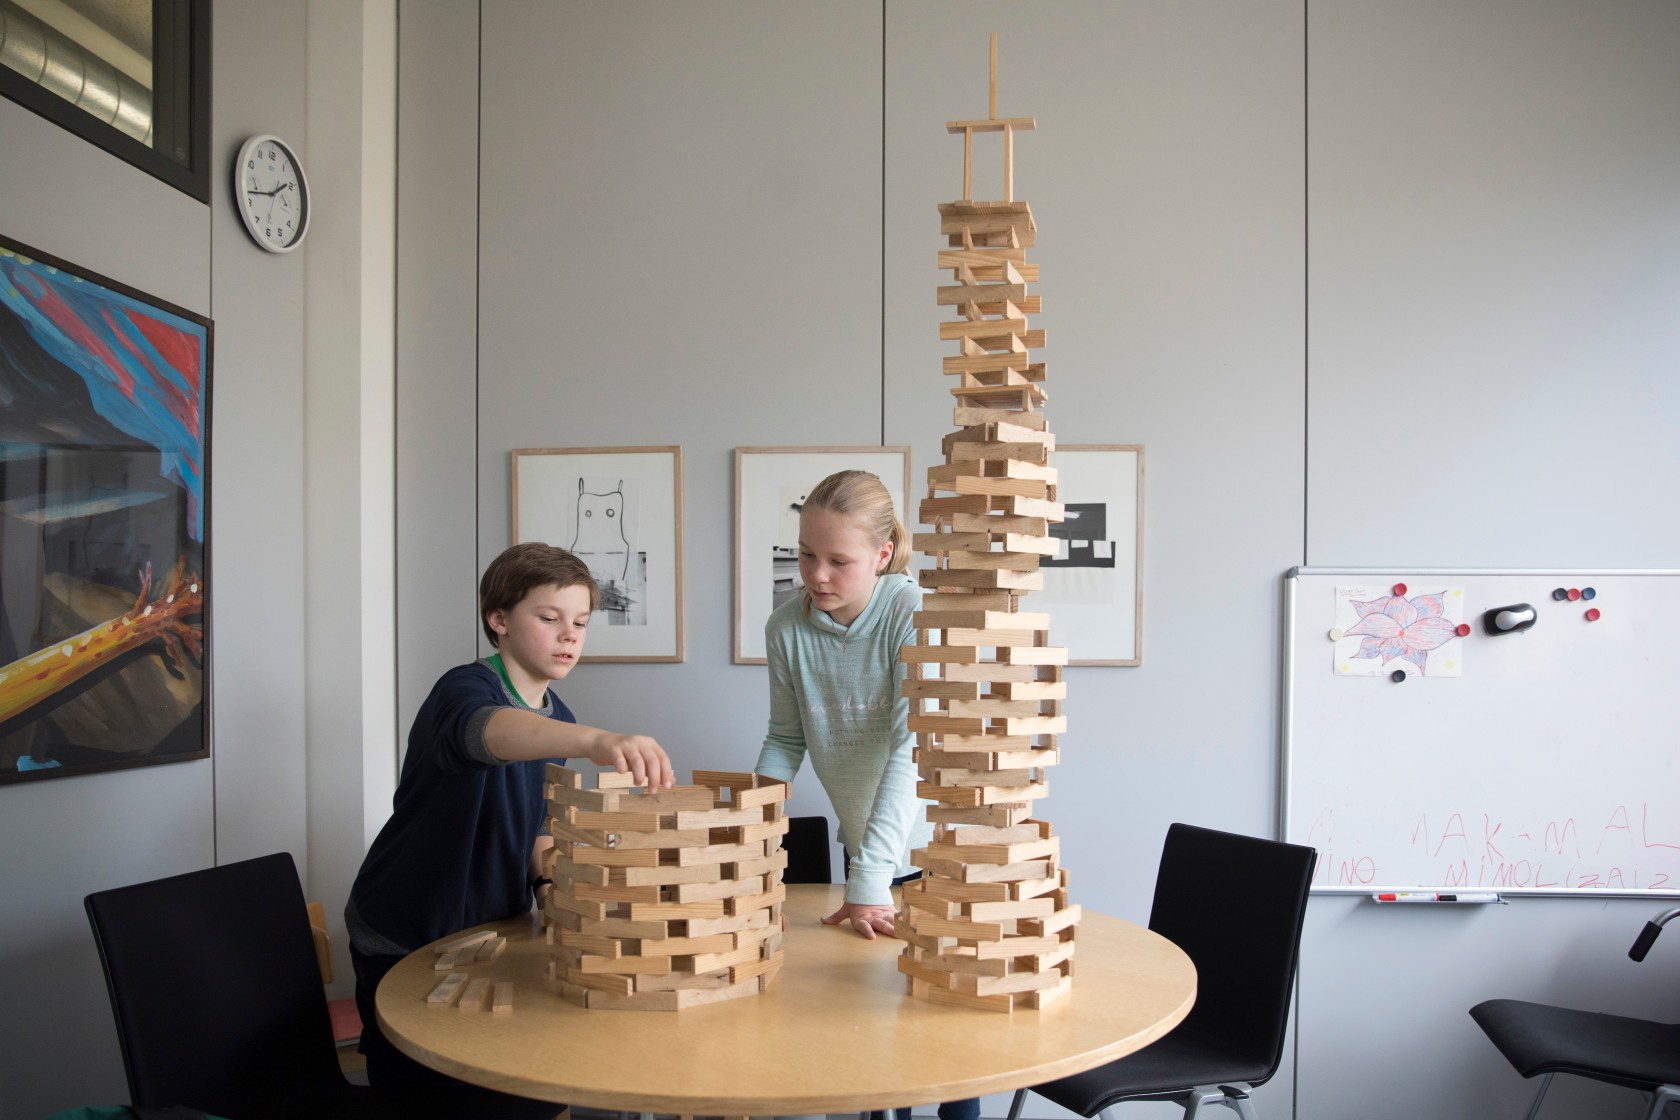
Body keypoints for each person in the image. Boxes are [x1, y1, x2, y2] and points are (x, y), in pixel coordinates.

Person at [345, 541, 673, 1086]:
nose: (570, 635)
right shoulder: (464, 688)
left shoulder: (558, 717)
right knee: (416, 1087)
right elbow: (491, 733)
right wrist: (597, 740)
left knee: (489, 1079)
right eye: (549, 618)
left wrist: (547, 883)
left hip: (485, 932)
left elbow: (537, 827)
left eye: (581, 622)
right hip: (407, 925)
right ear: (498, 619)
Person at [753, 469, 977, 1120]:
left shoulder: (912, 614)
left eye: (838, 561)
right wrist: (746, 838)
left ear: (883, 556)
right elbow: (784, 740)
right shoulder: (786, 629)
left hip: (943, 858)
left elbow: (916, 753)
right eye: (806, 554)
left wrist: (870, 876)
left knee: (955, 1055)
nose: (817, 575)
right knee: (881, 1051)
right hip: (872, 861)